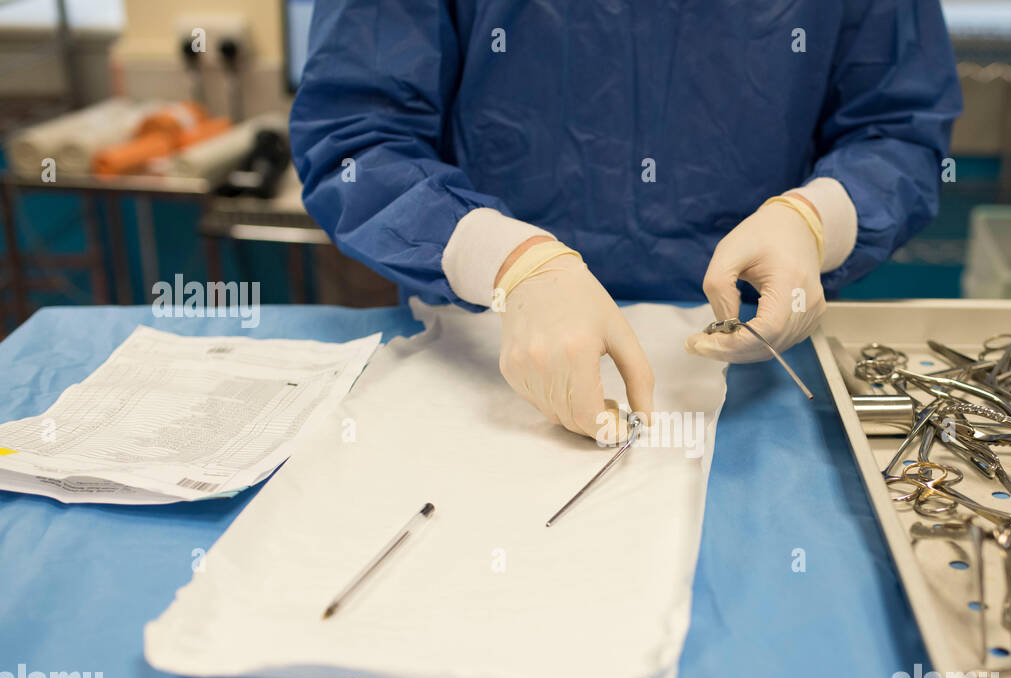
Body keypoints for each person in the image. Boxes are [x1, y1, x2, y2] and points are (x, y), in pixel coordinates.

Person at [290, 0, 961, 438]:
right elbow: (357, 136)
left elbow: (897, 129)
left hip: (764, 378)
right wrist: (507, 261)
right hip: (487, 348)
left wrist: (815, 221)